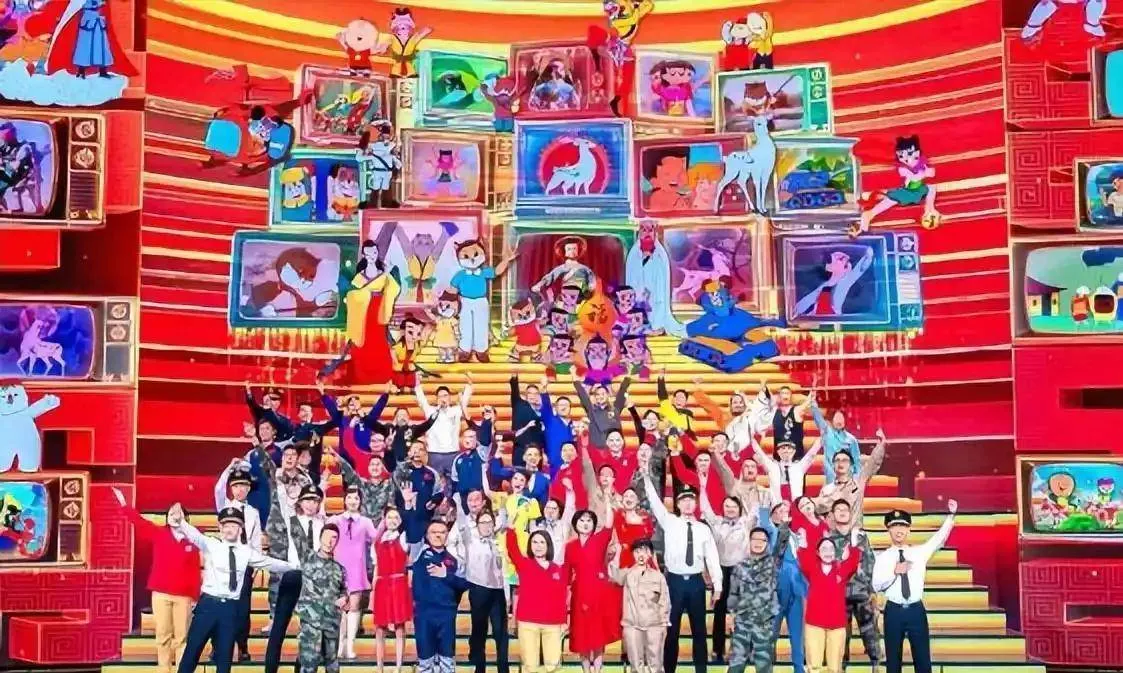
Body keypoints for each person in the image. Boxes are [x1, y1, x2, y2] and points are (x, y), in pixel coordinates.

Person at [164, 503, 294, 673]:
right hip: (208, 606)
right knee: (191, 654)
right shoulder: (211, 544)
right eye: (225, 525)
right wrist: (180, 521)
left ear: (240, 529)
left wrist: (296, 567)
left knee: (224, 660)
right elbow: (193, 534)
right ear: (220, 528)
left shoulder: (246, 552)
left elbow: (270, 563)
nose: (229, 529)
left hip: (230, 609)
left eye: (233, 525)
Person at [113, 490, 201, 673]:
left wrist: (195, 597)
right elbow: (139, 522)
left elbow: (195, 571)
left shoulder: (193, 541)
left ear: (185, 518)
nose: (174, 516)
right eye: (171, 513)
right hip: (161, 593)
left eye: (178, 513)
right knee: (163, 636)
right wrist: (124, 505)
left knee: (182, 638)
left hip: (184, 596)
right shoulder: (159, 533)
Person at [642, 478, 722, 673]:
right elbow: (655, 502)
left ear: (696, 504)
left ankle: (701, 670)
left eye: (691, 500)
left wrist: (717, 586)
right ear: (677, 504)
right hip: (674, 582)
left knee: (699, 631)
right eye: (683, 500)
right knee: (671, 630)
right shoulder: (669, 522)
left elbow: (712, 557)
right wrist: (646, 478)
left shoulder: (703, 529)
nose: (687, 503)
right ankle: (669, 669)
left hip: (696, 582)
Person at [873, 501, 958, 673]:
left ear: (909, 529)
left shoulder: (919, 553)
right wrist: (894, 572)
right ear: (888, 530)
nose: (899, 530)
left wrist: (951, 515)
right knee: (893, 661)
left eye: (903, 526)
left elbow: (939, 538)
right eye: (894, 526)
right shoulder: (882, 557)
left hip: (916, 611)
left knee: (922, 660)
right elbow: (875, 585)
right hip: (893, 611)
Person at [699, 489, 757, 663]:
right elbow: (705, 509)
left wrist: (747, 493)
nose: (730, 509)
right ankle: (718, 650)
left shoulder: (746, 522)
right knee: (719, 612)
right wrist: (703, 486)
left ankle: (744, 650)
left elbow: (755, 507)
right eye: (727, 506)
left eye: (733, 506)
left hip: (741, 571)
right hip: (721, 571)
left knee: (743, 613)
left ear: (739, 509)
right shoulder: (717, 522)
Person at [212, 462, 261, 662]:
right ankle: (218, 646)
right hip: (225, 562)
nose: (240, 489)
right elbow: (217, 488)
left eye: (244, 486)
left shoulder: (253, 512)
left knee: (243, 608)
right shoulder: (225, 506)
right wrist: (229, 469)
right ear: (231, 488)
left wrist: (256, 565)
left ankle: (242, 646)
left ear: (249, 488)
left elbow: (256, 540)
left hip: (244, 563)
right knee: (221, 604)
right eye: (236, 486)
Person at [726, 523, 790, 673]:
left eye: (762, 540)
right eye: (755, 539)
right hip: (742, 621)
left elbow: (781, 544)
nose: (758, 543)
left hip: (764, 622)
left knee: (764, 664)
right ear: (749, 541)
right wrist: (730, 614)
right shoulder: (740, 566)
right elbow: (733, 593)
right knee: (736, 663)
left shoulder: (773, 563)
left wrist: (784, 525)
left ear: (767, 544)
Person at [826, 500, 881, 673]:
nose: (842, 512)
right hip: (838, 595)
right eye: (838, 509)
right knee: (841, 635)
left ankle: (876, 665)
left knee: (870, 631)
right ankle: (841, 667)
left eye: (845, 509)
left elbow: (870, 562)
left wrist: (871, 590)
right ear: (832, 515)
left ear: (851, 514)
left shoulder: (860, 537)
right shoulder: (827, 540)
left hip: (861, 592)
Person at [798, 530, 863, 673]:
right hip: (814, 624)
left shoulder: (841, 569)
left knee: (834, 667)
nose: (828, 552)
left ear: (835, 552)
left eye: (831, 549)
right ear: (817, 552)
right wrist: (803, 541)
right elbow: (803, 557)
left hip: (837, 625)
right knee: (814, 666)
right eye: (824, 549)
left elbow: (853, 561)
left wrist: (853, 542)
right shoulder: (812, 569)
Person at [452, 508, 509, 673]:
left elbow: (503, 571)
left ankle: (503, 668)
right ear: (477, 525)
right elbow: (462, 524)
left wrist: (507, 594)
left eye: (489, 522)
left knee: (500, 633)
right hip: (479, 589)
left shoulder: (498, 542)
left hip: (497, 591)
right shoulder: (471, 540)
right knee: (479, 630)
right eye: (482, 522)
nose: (486, 526)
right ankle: (480, 667)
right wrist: (459, 503)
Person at [506, 528, 569, 673]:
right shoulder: (524, 564)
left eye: (542, 542)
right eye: (534, 542)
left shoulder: (558, 569)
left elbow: (561, 597)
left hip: (553, 624)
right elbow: (512, 549)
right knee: (530, 666)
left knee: (553, 666)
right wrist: (511, 530)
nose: (538, 546)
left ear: (548, 545)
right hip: (528, 622)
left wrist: (564, 621)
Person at [411, 520, 470, 673]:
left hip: (446, 616)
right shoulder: (418, 555)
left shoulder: (454, 561)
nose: (438, 535)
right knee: (425, 662)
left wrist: (446, 576)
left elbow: (465, 584)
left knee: (447, 662)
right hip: (424, 616)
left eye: (442, 532)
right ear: (427, 535)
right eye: (434, 532)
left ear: (447, 535)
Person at [567, 507, 621, 673]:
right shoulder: (570, 546)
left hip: (598, 593)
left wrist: (607, 499)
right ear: (575, 524)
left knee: (598, 635)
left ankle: (597, 669)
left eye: (589, 521)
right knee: (581, 635)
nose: (585, 524)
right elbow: (567, 574)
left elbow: (609, 524)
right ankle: (585, 670)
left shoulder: (599, 539)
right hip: (579, 594)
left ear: (594, 524)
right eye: (582, 520)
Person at [328, 487, 378, 659]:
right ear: (344, 500)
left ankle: (350, 647)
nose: (352, 501)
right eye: (349, 497)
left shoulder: (366, 522)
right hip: (338, 570)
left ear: (360, 501)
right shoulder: (335, 520)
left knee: (355, 609)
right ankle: (339, 647)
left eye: (356, 498)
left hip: (357, 570)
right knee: (340, 610)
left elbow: (376, 539)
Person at [608, 538, 670, 673]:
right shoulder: (627, 574)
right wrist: (617, 552)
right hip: (632, 625)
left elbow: (664, 601)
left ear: (650, 554)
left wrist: (664, 624)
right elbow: (613, 574)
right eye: (637, 551)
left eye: (645, 551)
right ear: (633, 554)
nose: (641, 555)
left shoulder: (658, 577)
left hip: (654, 625)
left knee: (656, 664)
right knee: (635, 665)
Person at [759, 502, 806, 673]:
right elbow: (763, 517)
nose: (783, 513)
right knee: (771, 635)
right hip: (776, 592)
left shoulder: (797, 535)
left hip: (796, 591)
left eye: (786, 511)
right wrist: (765, 505)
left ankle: (799, 669)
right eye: (779, 511)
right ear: (772, 515)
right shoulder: (769, 532)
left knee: (797, 636)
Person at [295, 523, 348, 673]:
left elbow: (344, 591)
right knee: (309, 664)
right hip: (311, 622)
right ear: (320, 538)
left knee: (332, 664)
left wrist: (344, 599)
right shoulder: (307, 558)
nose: (329, 541)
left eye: (334, 538)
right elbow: (296, 533)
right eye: (326, 537)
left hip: (331, 623)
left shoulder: (339, 568)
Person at [372, 507, 412, 673]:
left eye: (396, 517)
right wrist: (373, 589)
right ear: (384, 519)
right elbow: (376, 567)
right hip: (382, 585)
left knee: (399, 627)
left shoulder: (403, 537)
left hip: (398, 584)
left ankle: (398, 666)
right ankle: (379, 667)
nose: (393, 520)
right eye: (390, 517)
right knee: (379, 628)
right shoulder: (378, 541)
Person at [815, 429, 887, 519]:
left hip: (854, 526)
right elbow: (819, 509)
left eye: (844, 460)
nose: (841, 463)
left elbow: (873, 463)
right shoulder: (827, 488)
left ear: (851, 465)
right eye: (837, 460)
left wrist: (881, 444)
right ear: (833, 465)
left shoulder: (858, 481)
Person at [414, 372, 473, 479]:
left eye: (445, 396)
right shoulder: (430, 411)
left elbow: (465, 402)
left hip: (452, 453)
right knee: (434, 481)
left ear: (449, 398)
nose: (443, 398)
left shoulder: (456, 411)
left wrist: (469, 384)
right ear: (437, 399)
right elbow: (421, 400)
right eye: (440, 396)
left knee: (453, 481)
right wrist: (417, 383)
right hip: (434, 454)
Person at [752, 435, 822, 503]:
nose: (786, 451)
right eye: (783, 448)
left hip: (795, 506)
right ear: (778, 451)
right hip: (778, 507)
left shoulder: (799, 467)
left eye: (789, 448)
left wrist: (823, 435)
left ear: (794, 451)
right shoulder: (772, 467)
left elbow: (812, 453)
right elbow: (759, 453)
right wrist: (750, 436)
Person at [809, 398, 860, 485]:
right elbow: (818, 417)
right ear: (832, 420)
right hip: (831, 475)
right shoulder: (827, 432)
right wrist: (813, 401)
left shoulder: (852, 440)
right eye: (837, 418)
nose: (839, 421)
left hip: (847, 477)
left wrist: (856, 479)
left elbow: (856, 462)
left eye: (841, 418)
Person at [572, 374, 631, 448]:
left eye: (603, 394)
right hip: (596, 451)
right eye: (598, 394)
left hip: (614, 449)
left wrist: (627, 378)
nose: (600, 396)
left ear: (608, 395)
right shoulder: (591, 410)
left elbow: (621, 393)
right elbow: (583, 395)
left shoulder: (615, 409)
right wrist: (576, 382)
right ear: (595, 397)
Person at [538, 376, 575, 476]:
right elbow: (546, 406)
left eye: (566, 405)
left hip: (571, 467)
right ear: (556, 408)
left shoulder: (574, 425)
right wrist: (544, 389)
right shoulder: (550, 420)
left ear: (570, 408)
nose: (563, 408)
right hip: (554, 467)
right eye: (561, 405)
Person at [510, 375, 545, 466]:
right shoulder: (519, 405)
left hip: (536, 453)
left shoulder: (542, 411)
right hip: (520, 451)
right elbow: (514, 391)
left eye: (535, 394)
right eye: (530, 393)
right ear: (526, 395)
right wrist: (514, 378)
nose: (533, 396)